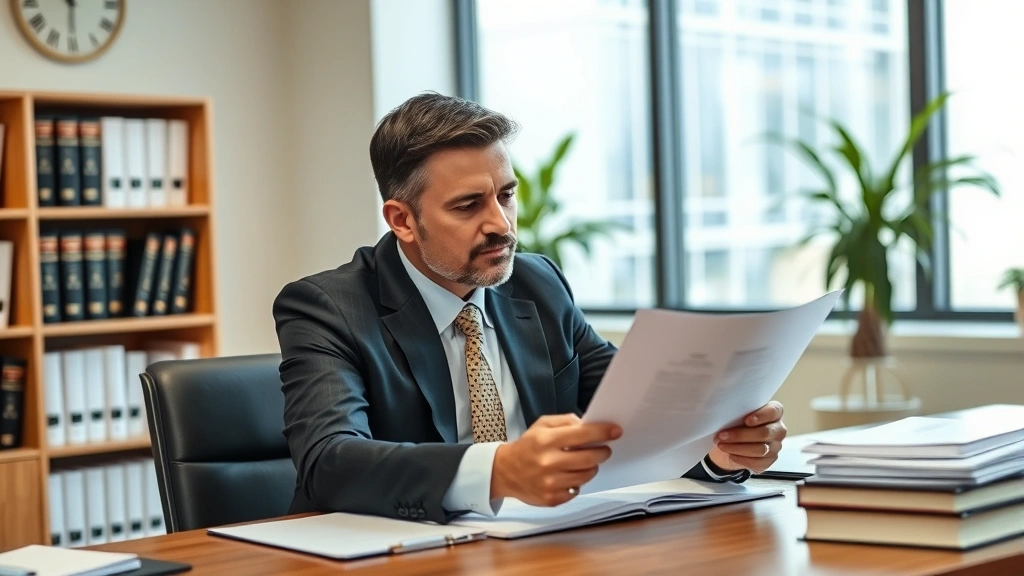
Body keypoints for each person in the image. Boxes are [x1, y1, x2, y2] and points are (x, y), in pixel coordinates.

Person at [273, 93, 788, 524]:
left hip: (536, 546)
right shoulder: (328, 308)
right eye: (468, 205)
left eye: (507, 194)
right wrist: (497, 470)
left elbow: (633, 416)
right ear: (402, 220)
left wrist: (718, 450)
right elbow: (329, 463)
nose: (502, 224)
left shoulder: (537, 284)